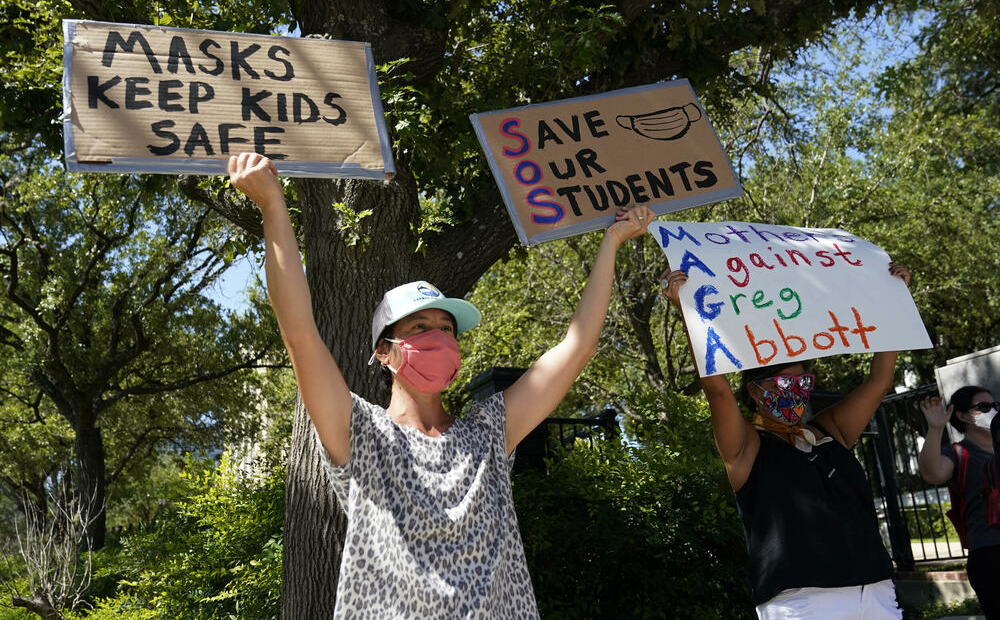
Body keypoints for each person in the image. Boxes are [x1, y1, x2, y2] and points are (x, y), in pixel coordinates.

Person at [227, 151, 653, 619]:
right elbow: (300, 333)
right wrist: (273, 207)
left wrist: (612, 242)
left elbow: (577, 347)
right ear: (384, 352)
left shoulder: (489, 434)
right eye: (419, 328)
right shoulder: (360, 434)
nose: (437, 338)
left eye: (446, 329)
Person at [661, 263, 912, 619]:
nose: (796, 392)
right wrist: (687, 311)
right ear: (754, 391)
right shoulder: (747, 446)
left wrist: (895, 300)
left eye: (803, 383)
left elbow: (879, 381)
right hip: (803, 600)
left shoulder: (830, 430)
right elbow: (716, 390)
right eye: (783, 384)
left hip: (874, 590)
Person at [918, 386, 1000, 617]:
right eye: (983, 407)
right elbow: (932, 473)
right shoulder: (958, 453)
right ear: (962, 415)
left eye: (995, 406)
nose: (992, 411)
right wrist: (935, 428)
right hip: (990, 554)